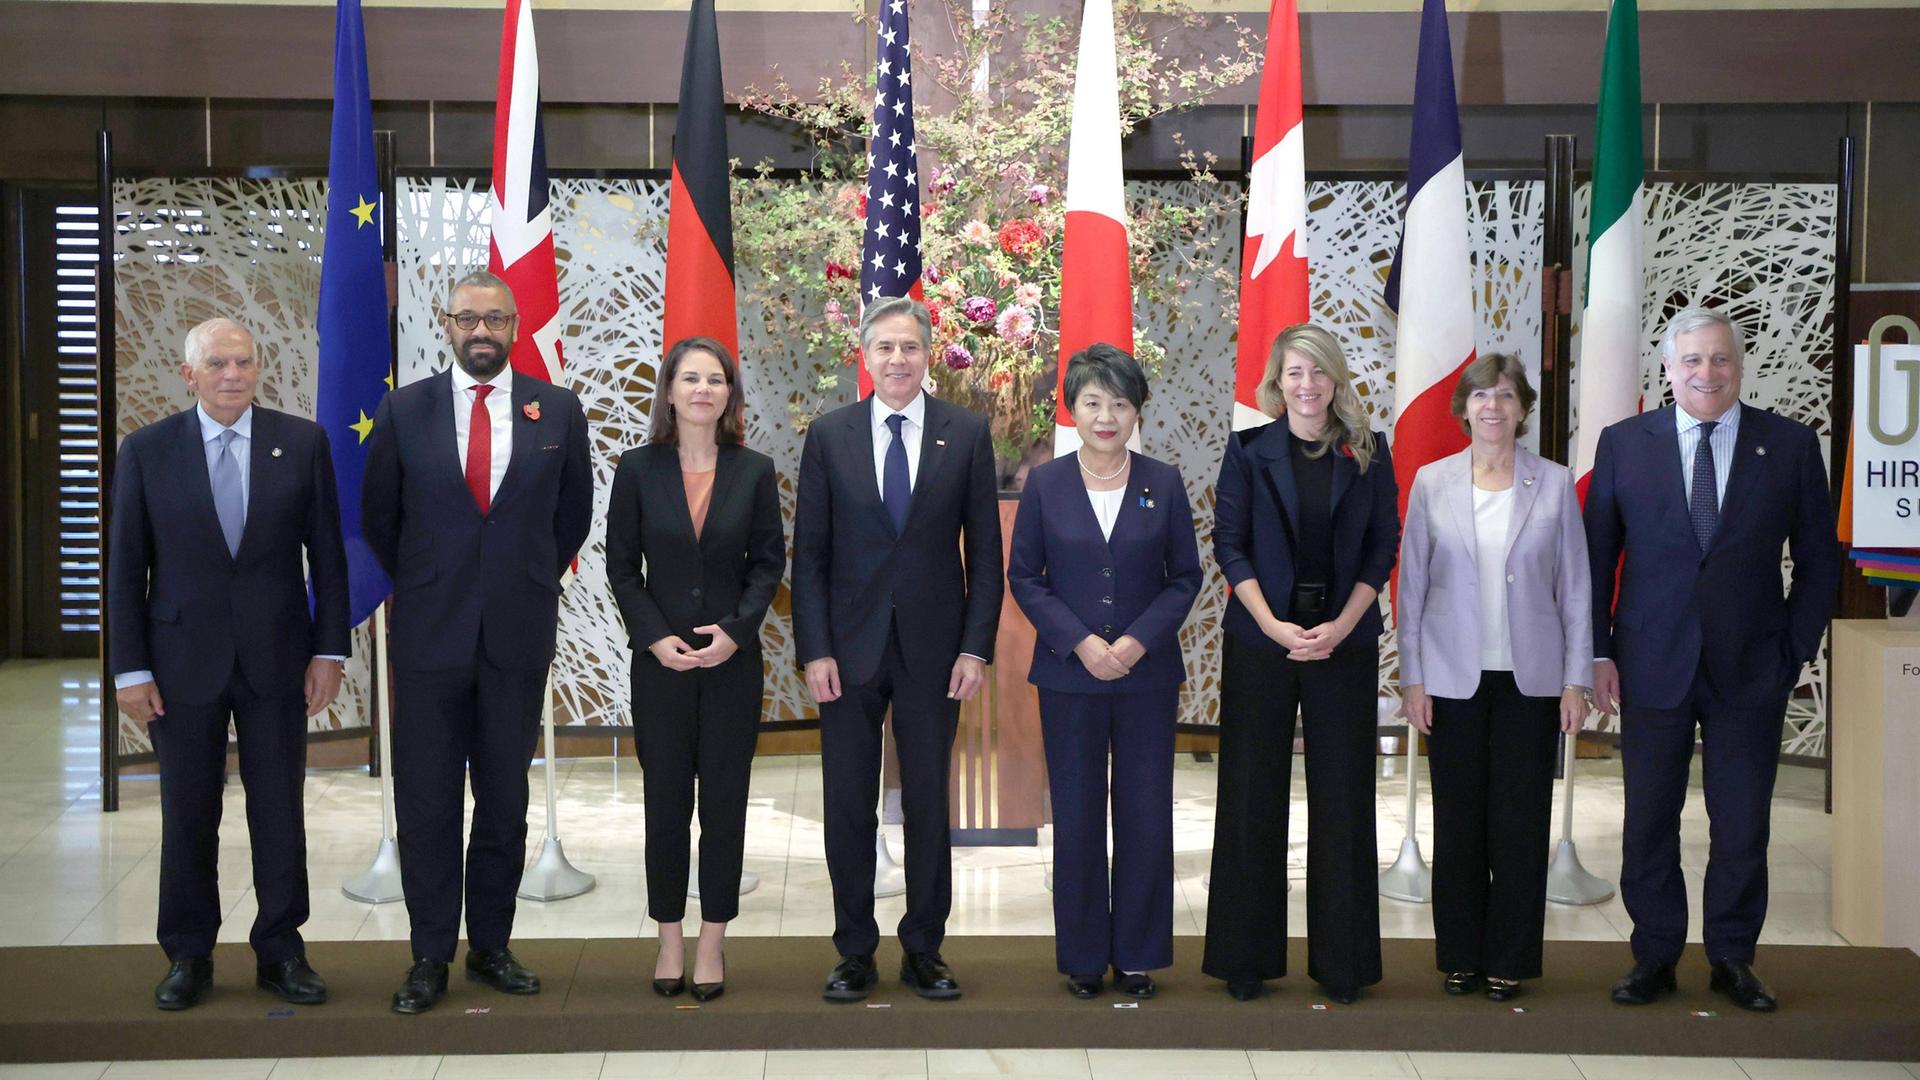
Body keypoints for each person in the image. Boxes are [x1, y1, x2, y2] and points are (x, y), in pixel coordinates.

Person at [1586, 307, 1838, 1013]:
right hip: (1649, 663)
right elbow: (1596, 557)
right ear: (1668, 369)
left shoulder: (1788, 446)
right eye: (1692, 360)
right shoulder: (1624, 444)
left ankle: (1733, 957)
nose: (1706, 372)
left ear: (1739, 366)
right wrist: (1599, 651)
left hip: (1751, 669)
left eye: (1719, 359)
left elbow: (1819, 561)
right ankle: (1655, 954)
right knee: (1649, 819)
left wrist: (1793, 650)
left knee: (1741, 822)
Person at [361, 269, 593, 1015]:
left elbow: (572, 518)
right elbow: (379, 519)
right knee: (427, 802)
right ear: (446, 324)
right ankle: (431, 953)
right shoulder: (404, 410)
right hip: (430, 637)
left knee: (503, 799)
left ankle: (491, 944)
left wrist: (516, 578)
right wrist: (433, 583)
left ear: (516, 326)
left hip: (516, 635)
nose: (482, 331)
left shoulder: (556, 410)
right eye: (468, 319)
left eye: (495, 319)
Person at [107, 318, 349, 1010]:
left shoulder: (301, 443)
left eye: (244, 361)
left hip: (279, 660)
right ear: (190, 375)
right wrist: (130, 670)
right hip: (179, 665)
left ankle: (281, 949)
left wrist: (329, 651)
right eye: (217, 363)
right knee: (188, 812)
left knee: (278, 811)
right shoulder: (148, 452)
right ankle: (188, 953)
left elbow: (328, 559)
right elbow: (126, 570)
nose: (233, 374)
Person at [791, 295, 1003, 1003]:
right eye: (884, 347)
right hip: (845, 655)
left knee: (927, 805)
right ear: (865, 354)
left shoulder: (966, 433)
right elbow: (810, 556)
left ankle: (924, 948)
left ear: (928, 354)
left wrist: (975, 650)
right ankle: (854, 950)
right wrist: (813, 648)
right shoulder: (830, 435)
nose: (898, 360)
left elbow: (988, 559)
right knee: (848, 803)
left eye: (910, 347)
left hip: (935, 654)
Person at [1202, 323, 1399, 1005]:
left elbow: (1382, 550)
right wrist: (1274, 624)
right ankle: (1244, 960)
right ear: (1276, 383)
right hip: (1262, 640)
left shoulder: (1370, 455)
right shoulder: (1248, 450)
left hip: (1342, 644)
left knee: (1344, 800)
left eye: (1317, 372)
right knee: (1252, 795)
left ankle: (1342, 965)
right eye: (1294, 373)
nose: (1307, 385)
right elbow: (1230, 546)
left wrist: (1340, 626)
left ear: (1335, 380)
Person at [1007, 344, 1202, 1000]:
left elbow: (1185, 578)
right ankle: (1085, 957)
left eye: (1120, 402)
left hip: (1146, 678)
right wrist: (1082, 641)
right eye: (1093, 402)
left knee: (1146, 814)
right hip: (1070, 676)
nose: (1107, 415)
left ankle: (1140, 955)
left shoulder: (1163, 482)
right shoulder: (1046, 484)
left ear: (1136, 410)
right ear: (1074, 409)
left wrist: (1139, 642)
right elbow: (1024, 578)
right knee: (1080, 814)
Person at [1397, 353, 1592, 1002]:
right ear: (1463, 410)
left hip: (1531, 682)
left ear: (1522, 409)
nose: (1493, 408)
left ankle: (1509, 958)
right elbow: (1413, 587)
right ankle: (1459, 956)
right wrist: (1412, 678)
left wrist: (1576, 679)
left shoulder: (1555, 484)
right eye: (1481, 397)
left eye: (1506, 396)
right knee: (1458, 824)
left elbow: (1576, 589)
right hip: (1451, 681)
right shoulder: (1432, 482)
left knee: (1519, 823)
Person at [606, 336, 784, 1004]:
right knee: (666, 805)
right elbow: (621, 565)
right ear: (671, 391)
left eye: (715, 379)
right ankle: (669, 937)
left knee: (725, 807)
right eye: (690, 378)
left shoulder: (755, 469)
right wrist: (653, 639)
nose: (703, 389)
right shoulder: (637, 469)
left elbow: (769, 561)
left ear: (728, 396)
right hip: (662, 667)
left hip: (733, 665)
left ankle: (713, 941)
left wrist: (737, 633)